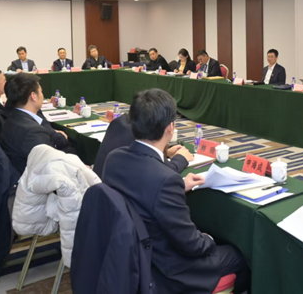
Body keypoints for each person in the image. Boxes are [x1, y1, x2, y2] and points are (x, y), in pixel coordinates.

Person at [103, 89, 250, 293]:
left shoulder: (113, 159)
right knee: (240, 255)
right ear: (170, 128)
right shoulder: (165, 179)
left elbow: (142, 187)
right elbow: (190, 244)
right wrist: (209, 239)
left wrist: (179, 184)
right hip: (166, 270)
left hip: (129, 257)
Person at [0, 74, 71, 174]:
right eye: (41, 91)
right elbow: (51, 168)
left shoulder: (12, 117)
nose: (42, 95)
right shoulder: (33, 132)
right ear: (33, 96)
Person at [93, 112, 193, 178]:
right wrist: (181, 158)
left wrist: (165, 152)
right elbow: (166, 171)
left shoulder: (120, 122)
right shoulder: (142, 136)